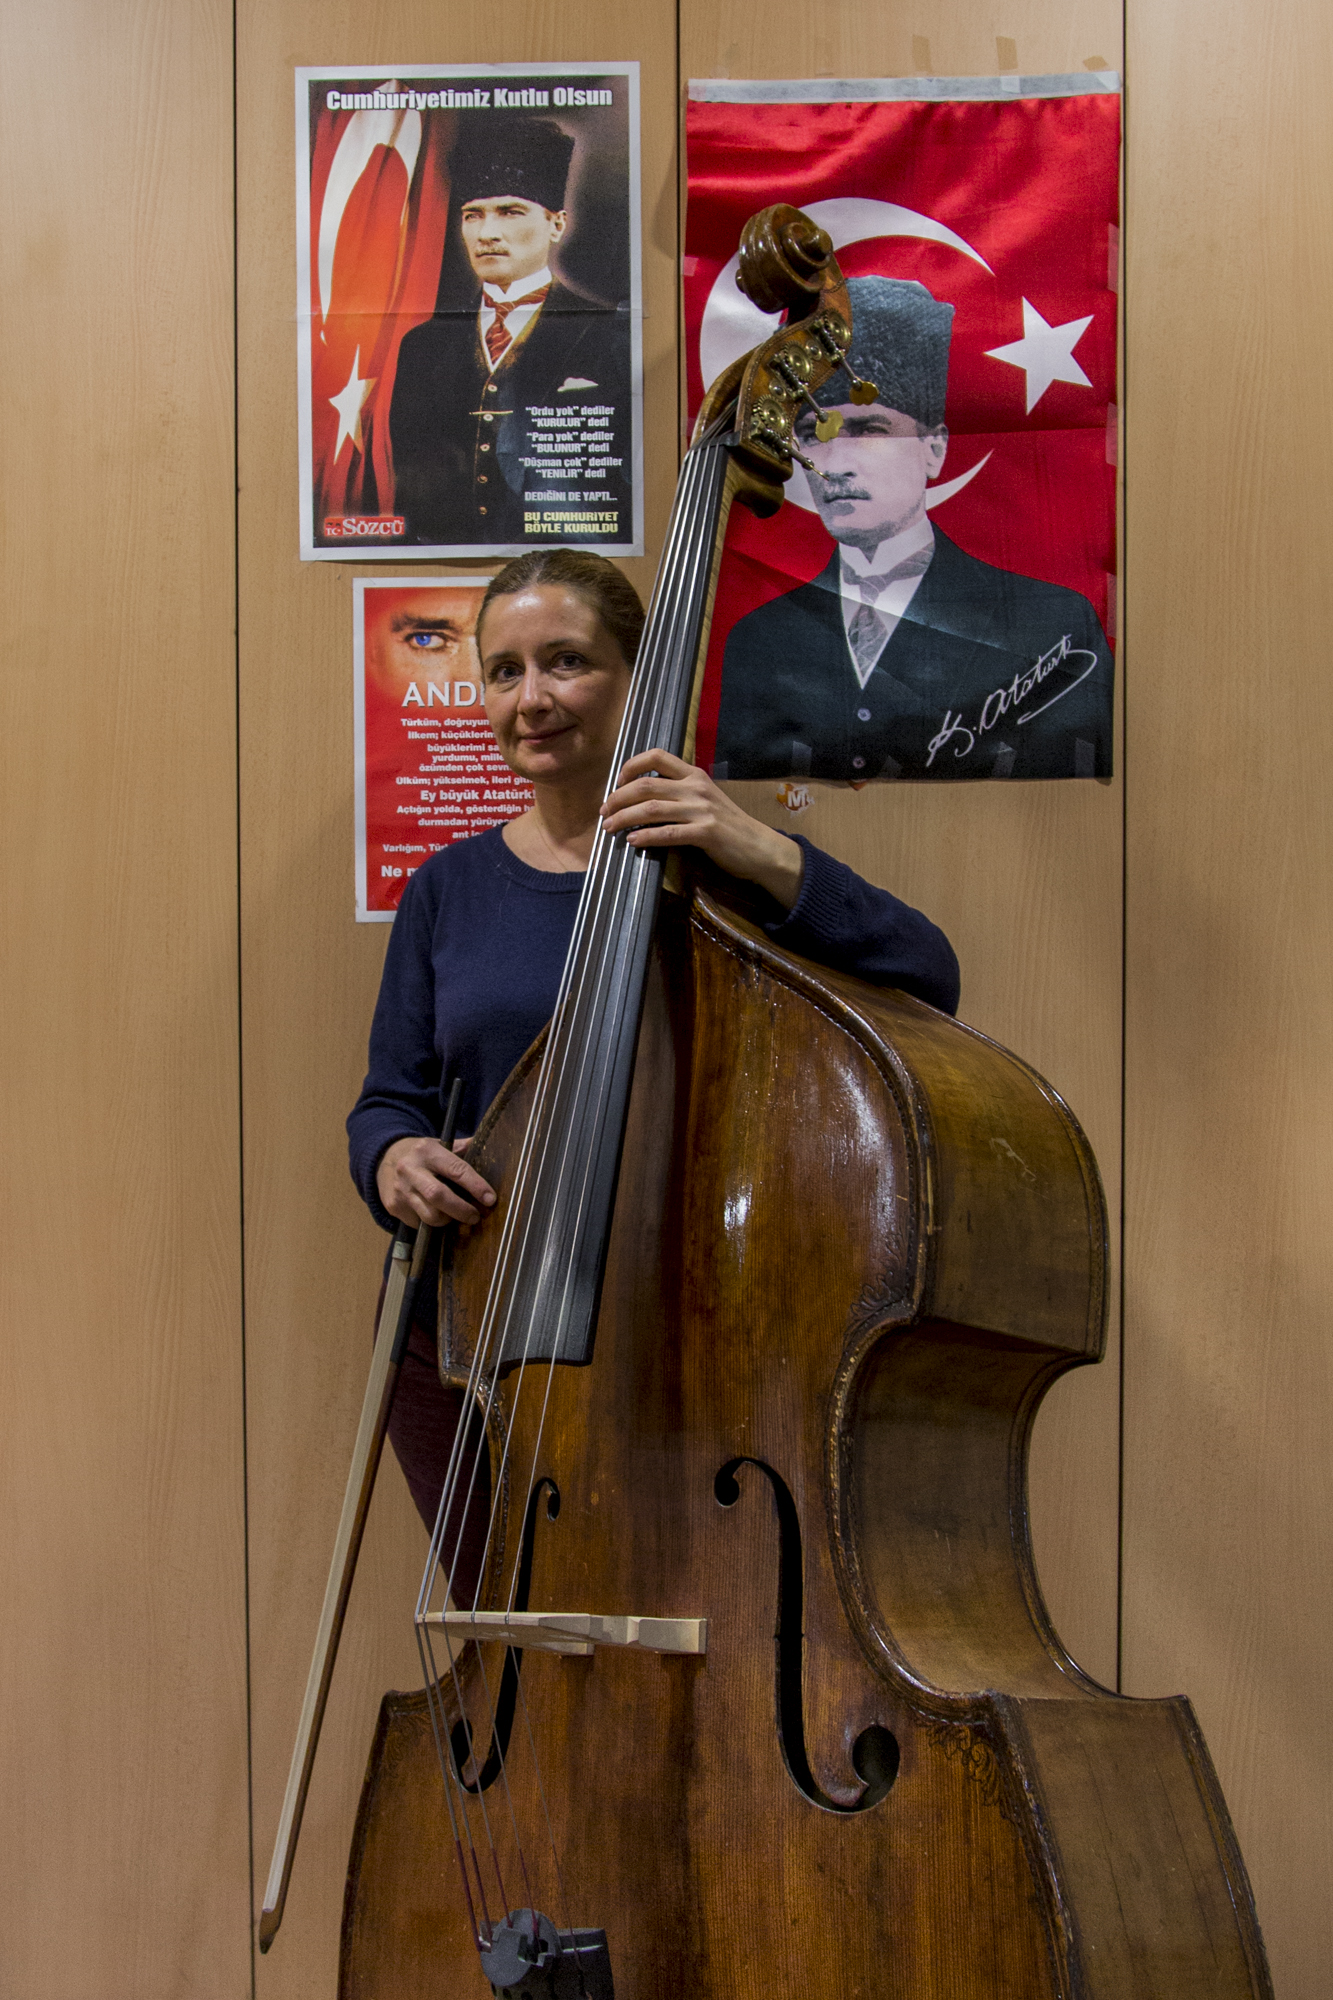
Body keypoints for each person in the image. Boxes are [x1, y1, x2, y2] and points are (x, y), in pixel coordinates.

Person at [347, 548, 960, 1555]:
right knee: (502, 1622)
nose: (531, 697)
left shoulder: (714, 870)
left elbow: (926, 972)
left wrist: (755, 845)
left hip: (689, 1325)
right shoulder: (446, 887)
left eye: (566, 662)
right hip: (472, 1328)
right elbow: (387, 1100)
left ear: (639, 679)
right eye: (504, 670)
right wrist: (392, 1159)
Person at [714, 276, 1114, 784]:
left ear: (934, 449)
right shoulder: (758, 641)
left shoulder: (1053, 625)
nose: (835, 464)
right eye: (814, 434)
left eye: (869, 430)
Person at [389, 120, 631, 547]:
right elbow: (411, 496)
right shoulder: (422, 347)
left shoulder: (608, 332)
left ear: (556, 224)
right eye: (472, 215)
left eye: (510, 211)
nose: (487, 234)